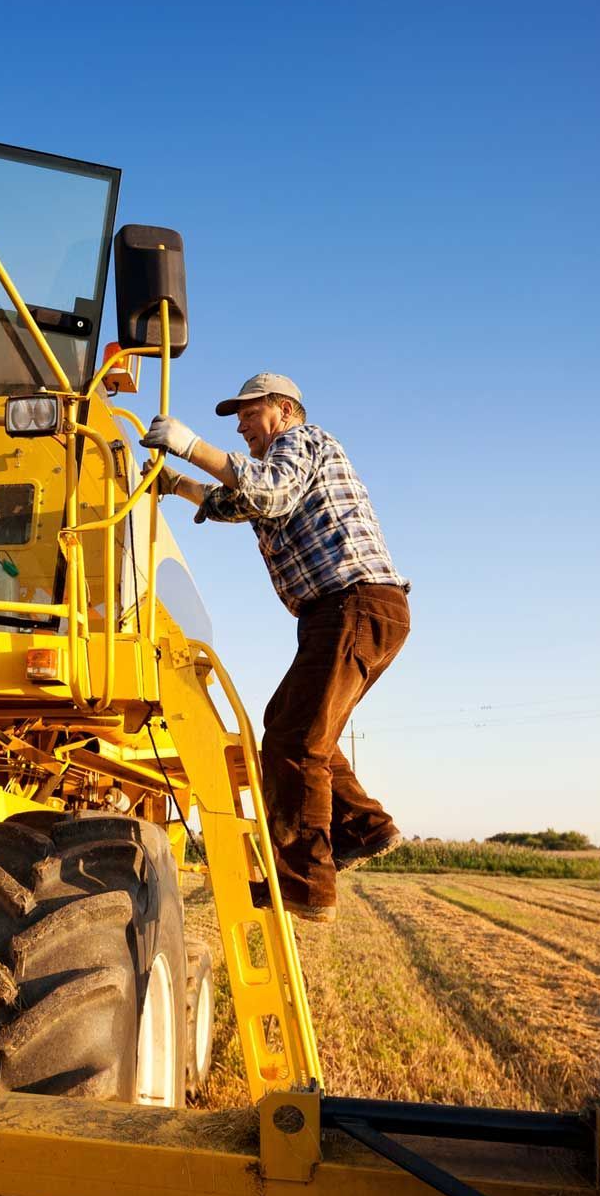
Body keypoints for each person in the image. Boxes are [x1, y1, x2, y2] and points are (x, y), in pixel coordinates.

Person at [144, 373, 410, 922]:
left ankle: (307, 885)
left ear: (285, 410)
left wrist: (191, 446)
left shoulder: (303, 443)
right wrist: (176, 485)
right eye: (235, 418)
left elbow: (267, 491)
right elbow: (237, 504)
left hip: (351, 604)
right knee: (289, 722)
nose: (240, 425)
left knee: (295, 742)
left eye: (248, 412)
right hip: (346, 611)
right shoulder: (281, 462)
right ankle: (365, 828)